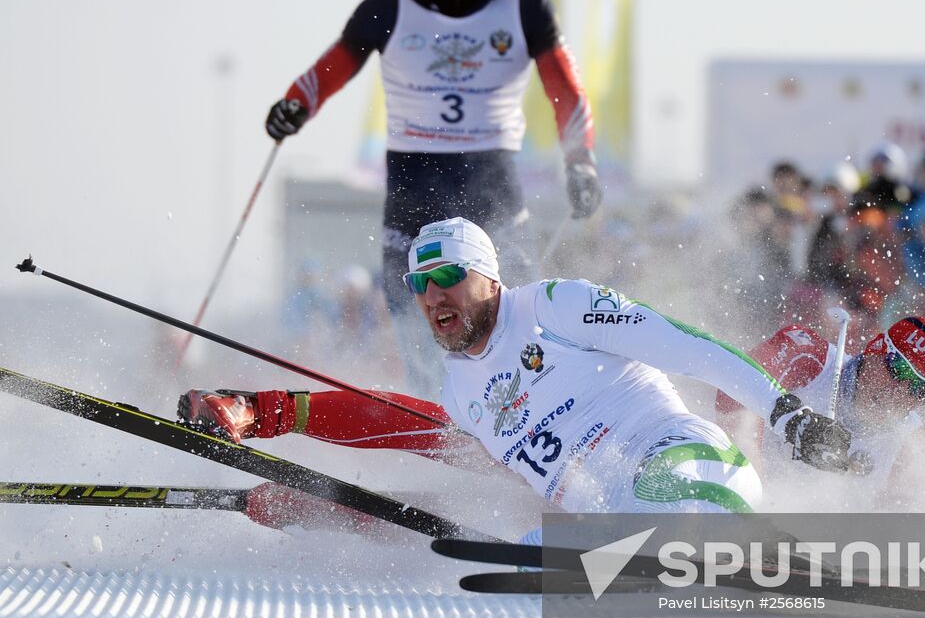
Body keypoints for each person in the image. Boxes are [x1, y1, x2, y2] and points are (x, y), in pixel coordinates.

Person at [177, 218, 852, 533]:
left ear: (489, 278)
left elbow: (686, 346)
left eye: (449, 275)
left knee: (671, 509)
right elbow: (399, 427)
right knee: (532, 549)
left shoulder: (555, 306)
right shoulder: (461, 393)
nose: (433, 295)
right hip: (606, 522)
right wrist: (272, 430)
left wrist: (785, 414)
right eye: (419, 284)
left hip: (681, 460)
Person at [263, 0, 603, 396]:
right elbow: (332, 67)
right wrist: (296, 104)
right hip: (414, 184)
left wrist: (581, 162)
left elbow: (565, 89)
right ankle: (440, 427)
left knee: (516, 318)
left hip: (490, 180)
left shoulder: (524, 5)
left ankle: (539, 415)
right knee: (422, 329)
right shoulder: (390, 4)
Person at [714, 315, 925, 507]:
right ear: (874, 348)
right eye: (899, 369)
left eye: (920, 389)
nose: (898, 392)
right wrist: (756, 502)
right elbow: (733, 388)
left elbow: (905, 524)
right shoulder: (810, 358)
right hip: (740, 502)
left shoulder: (915, 448)